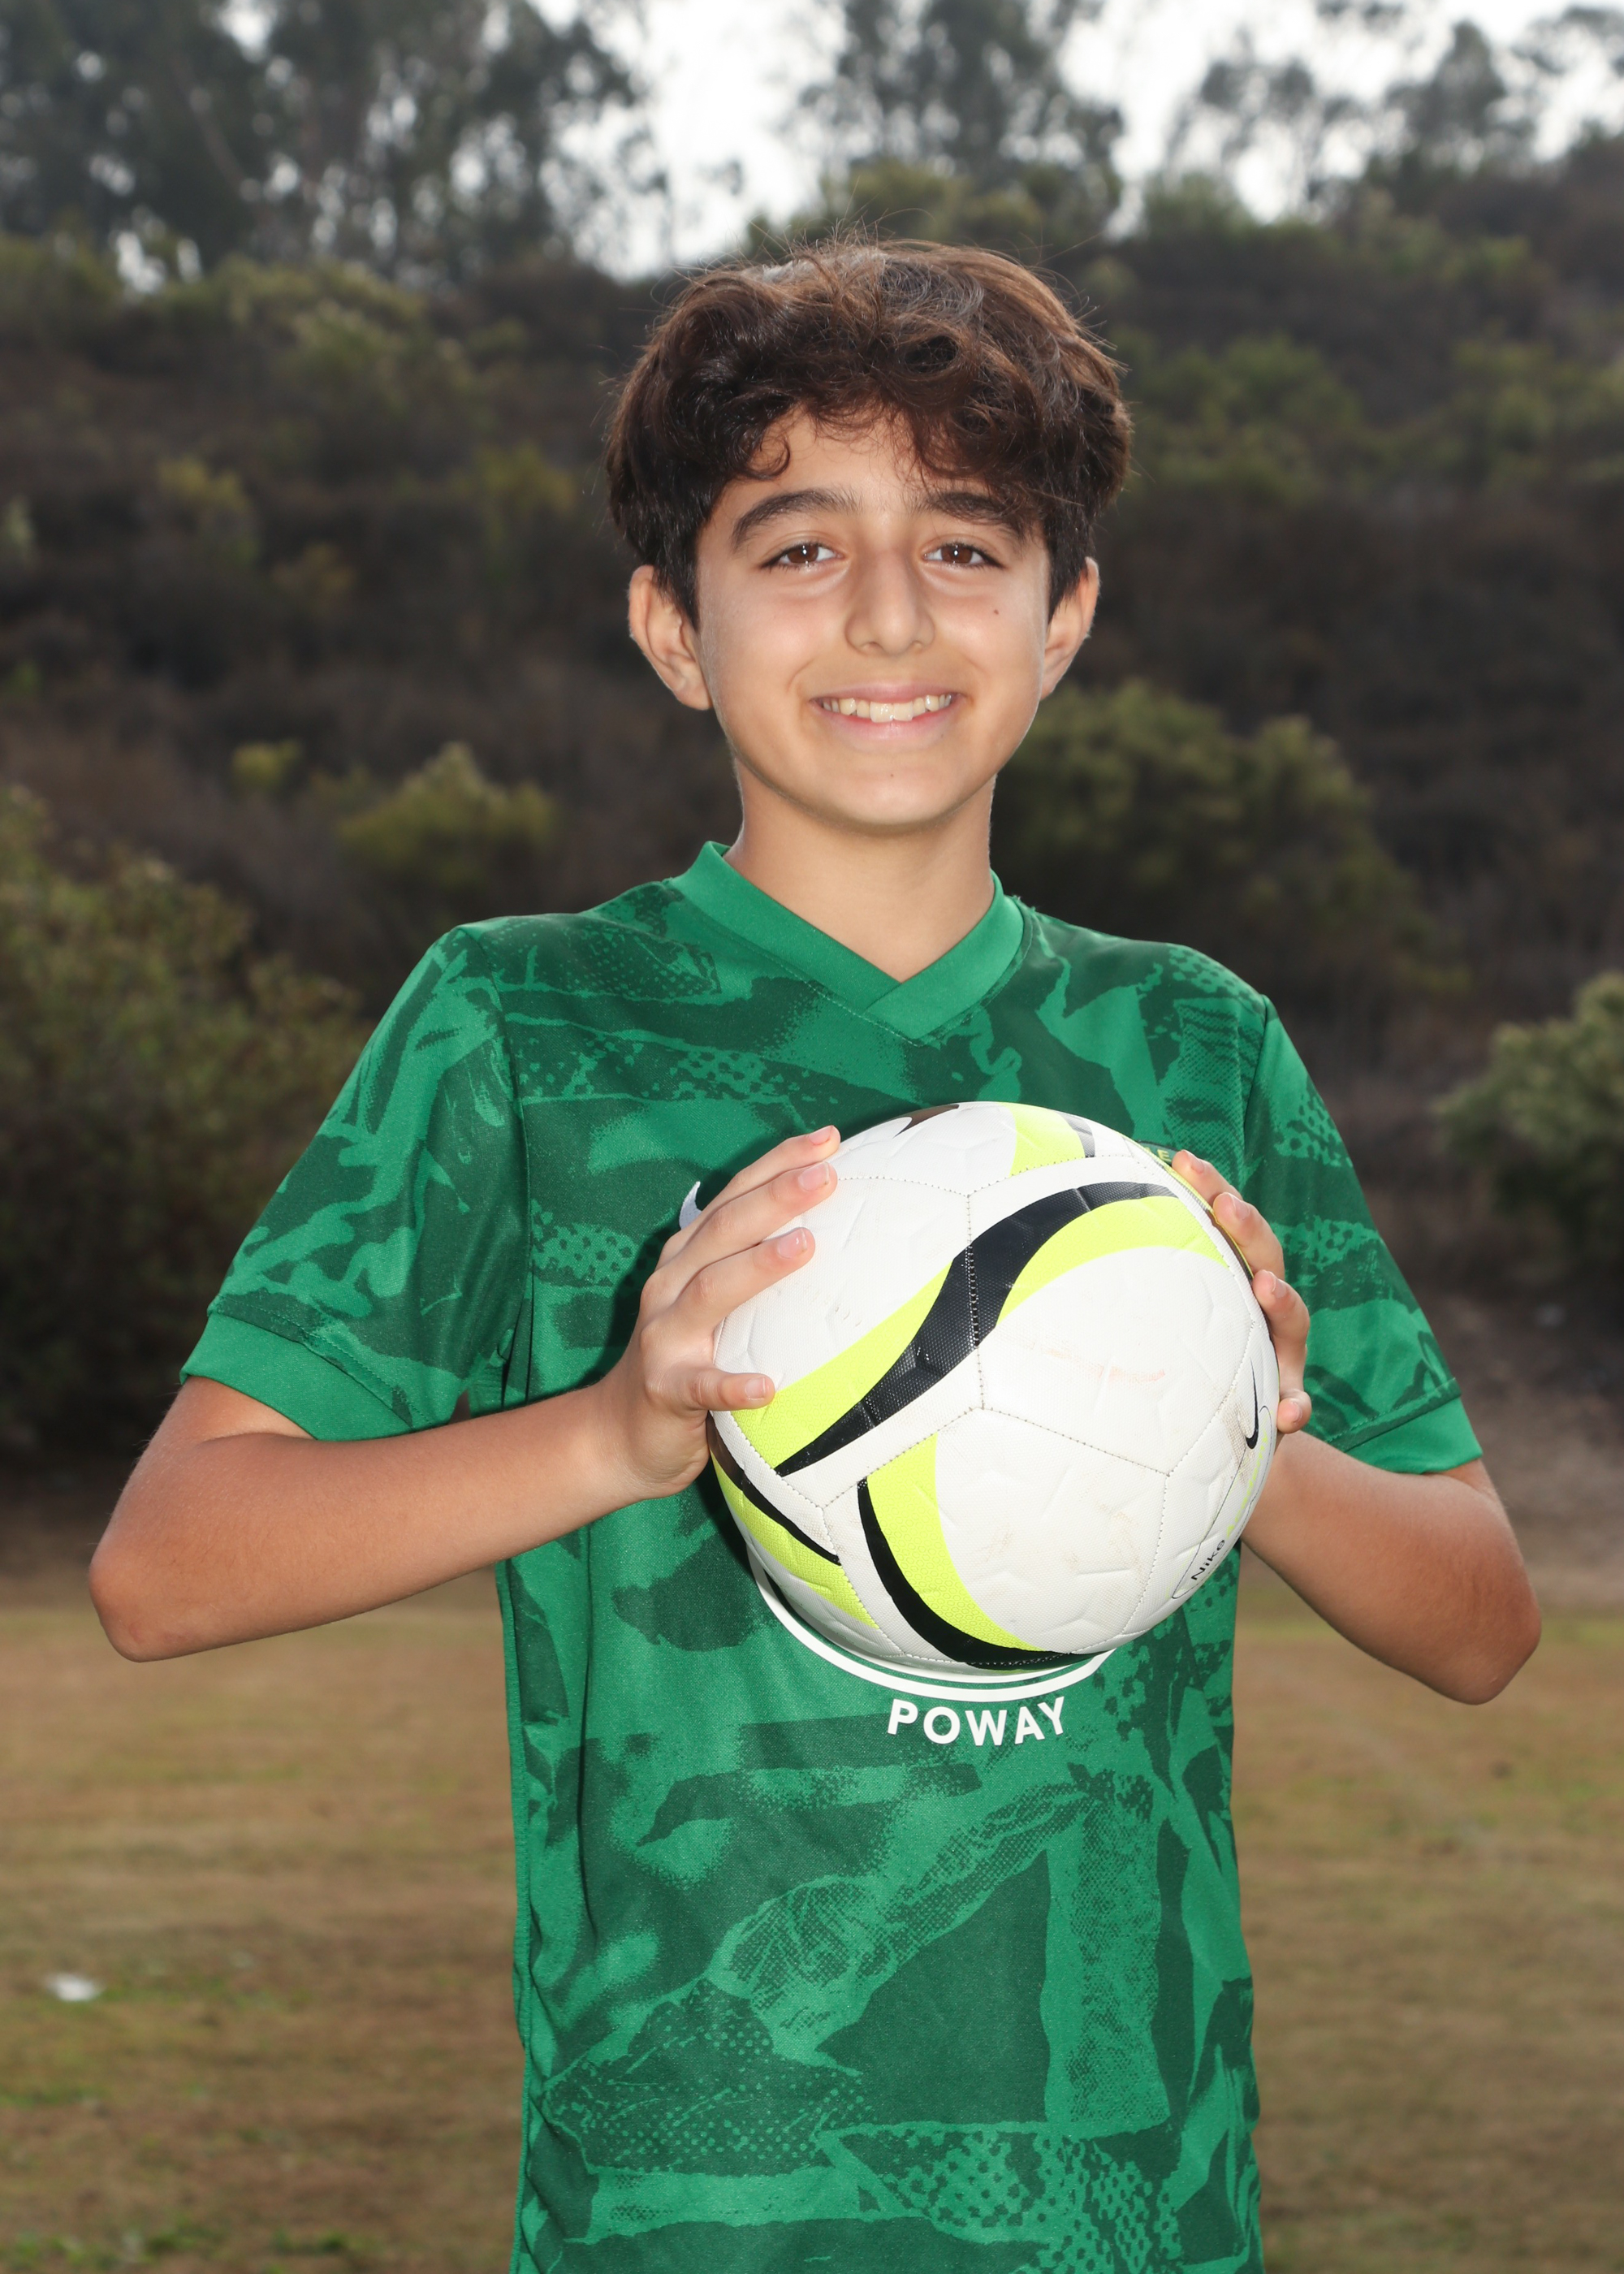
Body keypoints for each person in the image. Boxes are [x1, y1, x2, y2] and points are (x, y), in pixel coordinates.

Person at [92, 241, 1540, 2273]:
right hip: (683, 2216)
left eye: (964, 544)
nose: (886, 611)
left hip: (1131, 2210)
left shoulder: (1189, 1045)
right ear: (670, 627)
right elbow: (167, 1567)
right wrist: (610, 1435)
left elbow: (1479, 1619)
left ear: (1063, 617)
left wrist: (1241, 1431)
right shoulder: (518, 1027)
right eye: (795, 547)